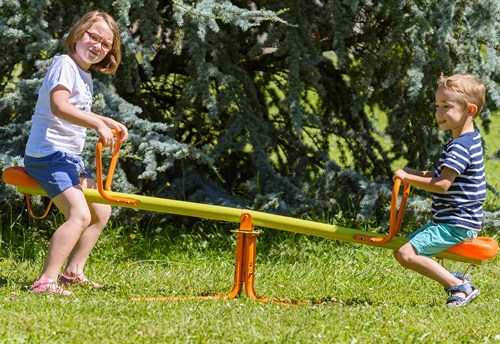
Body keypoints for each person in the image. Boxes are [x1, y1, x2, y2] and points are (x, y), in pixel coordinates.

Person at [23, 10, 128, 295]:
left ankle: (72, 272)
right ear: (79, 33)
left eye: (106, 44)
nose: (98, 46)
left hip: (68, 159)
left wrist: (106, 121)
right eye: (94, 37)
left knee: (101, 211)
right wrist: (96, 122)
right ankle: (45, 282)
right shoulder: (64, 64)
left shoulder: (84, 75)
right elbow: (59, 106)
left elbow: (76, 111)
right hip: (47, 155)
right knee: (80, 215)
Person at [393, 73, 486, 308]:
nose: (439, 113)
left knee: (405, 254)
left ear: (470, 110)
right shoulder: (469, 139)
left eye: (446, 107)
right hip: (453, 220)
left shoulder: (460, 147)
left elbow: (443, 185)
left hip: (455, 223)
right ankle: (456, 279)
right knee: (402, 250)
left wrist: (409, 179)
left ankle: (459, 286)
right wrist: (414, 174)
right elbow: (443, 177)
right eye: (437, 106)